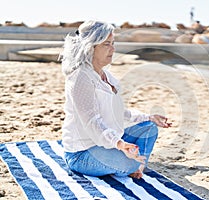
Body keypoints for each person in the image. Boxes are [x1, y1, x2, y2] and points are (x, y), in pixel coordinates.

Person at [60, 20, 171, 179]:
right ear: (91, 47)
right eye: (106, 44)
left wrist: (149, 117)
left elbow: (118, 112)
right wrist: (120, 144)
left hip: (106, 142)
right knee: (130, 162)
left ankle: (134, 165)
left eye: (113, 43)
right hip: (83, 153)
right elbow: (93, 122)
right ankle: (133, 166)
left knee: (149, 127)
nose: (113, 49)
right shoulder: (80, 78)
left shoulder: (106, 76)